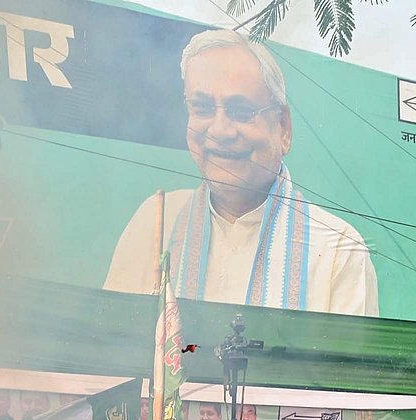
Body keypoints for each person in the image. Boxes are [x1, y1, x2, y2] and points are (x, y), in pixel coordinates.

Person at [104, 29, 378, 315]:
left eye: (241, 111)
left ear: (283, 128)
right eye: (202, 108)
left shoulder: (339, 250)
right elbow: (106, 338)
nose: (220, 130)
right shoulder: (156, 222)